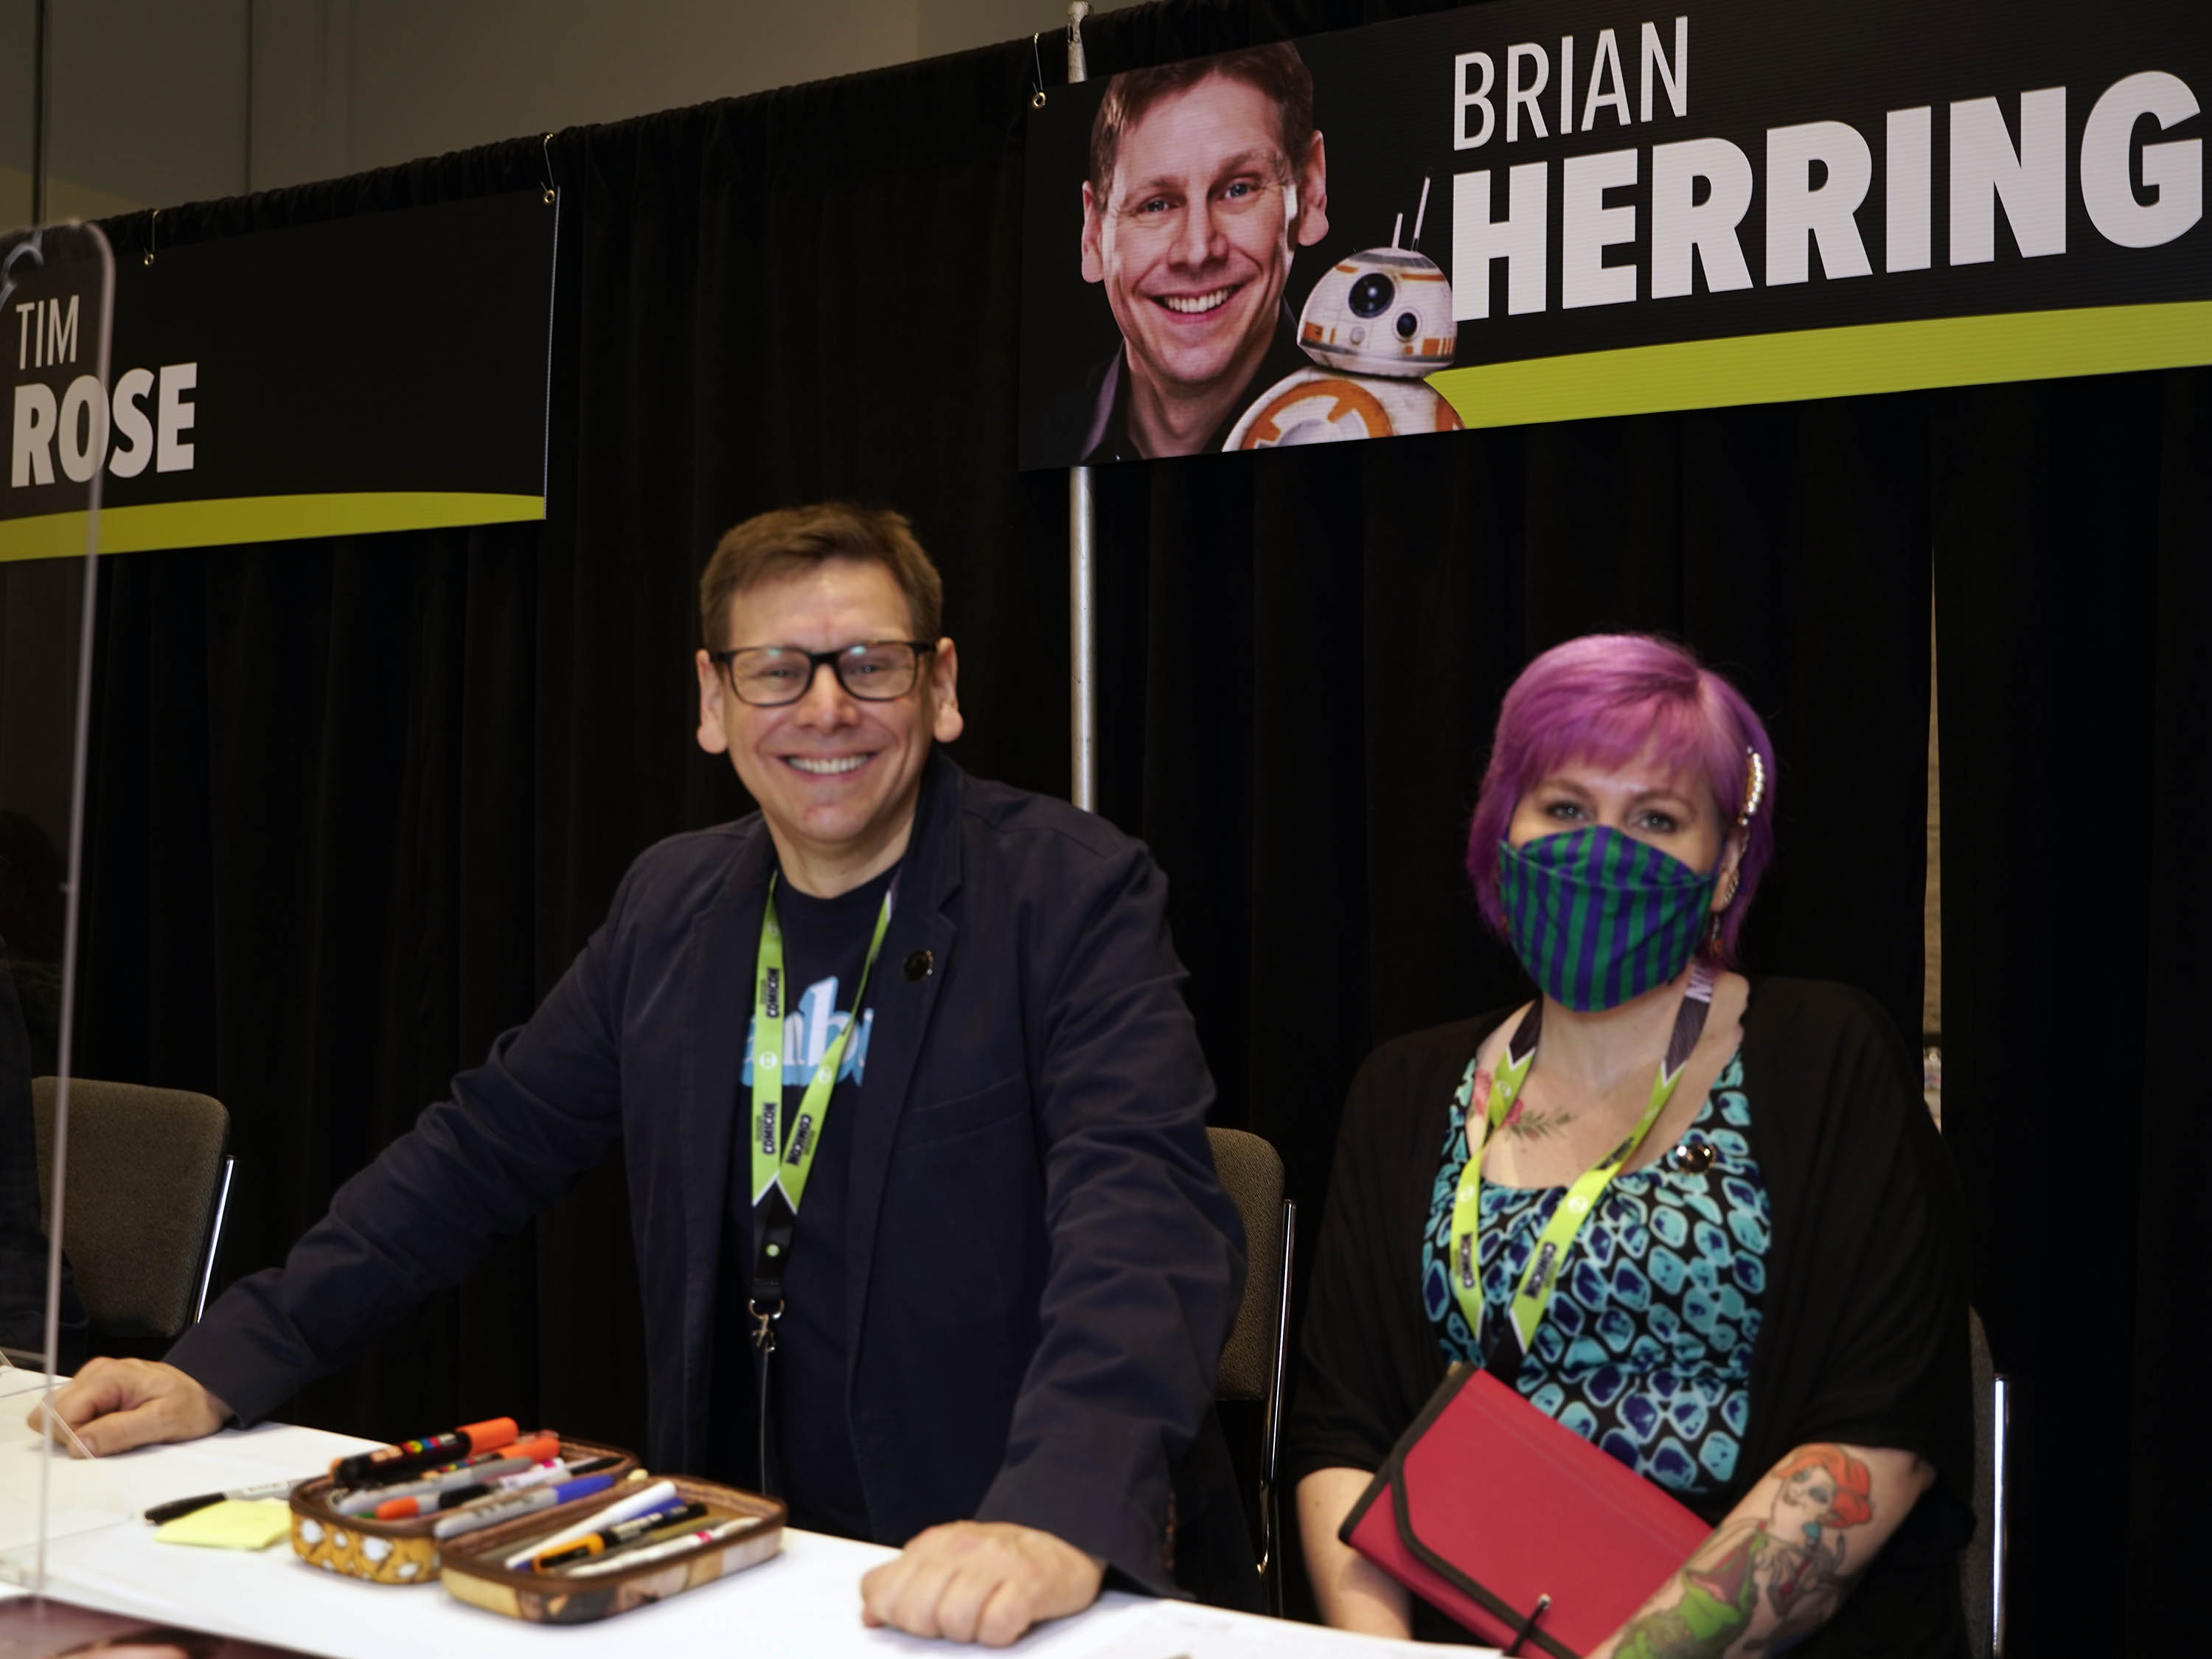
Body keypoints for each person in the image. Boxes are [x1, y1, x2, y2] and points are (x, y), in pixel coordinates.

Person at [34, 504, 1249, 1648]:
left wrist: (1055, 1511)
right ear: (713, 702)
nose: (827, 708)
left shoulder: (1071, 895)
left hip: (1001, 1559)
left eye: (871, 665)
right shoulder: (672, 905)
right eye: (778, 670)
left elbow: (1142, 1218)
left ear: (941, 688)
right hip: (747, 1562)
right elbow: (478, 1152)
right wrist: (224, 1360)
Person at [1289, 635, 1972, 1656]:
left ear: (1725, 862)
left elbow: (1879, 1434)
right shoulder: (1400, 1090)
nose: (1602, 853)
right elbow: (1341, 1434)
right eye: (1565, 810)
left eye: (1655, 819)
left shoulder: (1828, 1056)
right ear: (1502, 828)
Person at [1051, 43, 1330, 462]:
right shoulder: (1033, 442)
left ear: (1308, 193)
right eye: (1155, 205)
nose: (1198, 250)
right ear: (1093, 235)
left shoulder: (1399, 425)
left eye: (1239, 189)